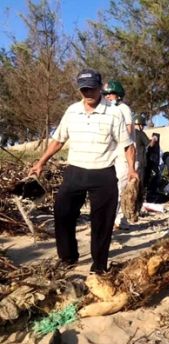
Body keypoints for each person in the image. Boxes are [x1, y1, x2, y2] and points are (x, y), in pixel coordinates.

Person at [29, 69, 137, 274]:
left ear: (100, 88)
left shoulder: (114, 113)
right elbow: (58, 140)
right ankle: (68, 257)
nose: (88, 93)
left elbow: (127, 145)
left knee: (102, 224)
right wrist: (41, 161)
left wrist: (132, 169)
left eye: (92, 88)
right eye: (84, 89)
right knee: (63, 215)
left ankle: (99, 266)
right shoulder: (72, 111)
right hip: (75, 172)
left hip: (103, 173)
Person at [102, 80, 135, 230]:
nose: (108, 96)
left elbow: (128, 130)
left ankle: (117, 220)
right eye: (106, 94)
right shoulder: (108, 110)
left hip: (124, 154)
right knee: (112, 187)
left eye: (111, 93)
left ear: (118, 95)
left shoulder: (123, 108)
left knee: (120, 188)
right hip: (113, 153)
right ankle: (117, 220)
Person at [134, 113, 150, 185]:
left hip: (132, 161)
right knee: (140, 182)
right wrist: (154, 139)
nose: (143, 127)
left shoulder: (130, 133)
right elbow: (149, 144)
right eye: (143, 125)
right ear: (140, 125)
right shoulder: (141, 133)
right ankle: (139, 195)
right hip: (140, 161)